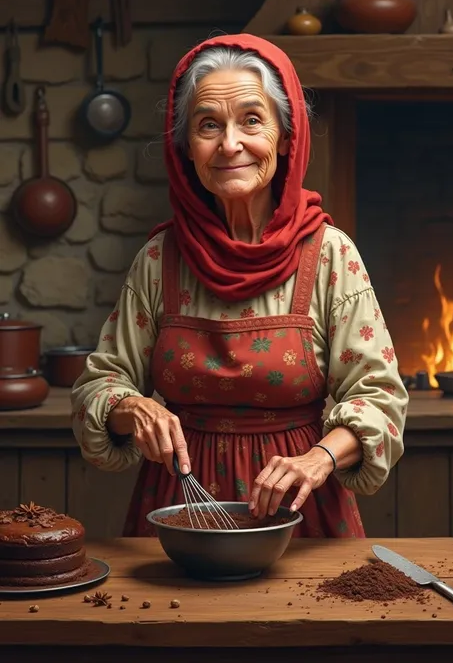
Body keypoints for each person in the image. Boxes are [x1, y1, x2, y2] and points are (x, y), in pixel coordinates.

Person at [71, 33, 408, 538]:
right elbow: (98, 385)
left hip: (302, 512)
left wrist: (317, 459)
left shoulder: (331, 255)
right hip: (181, 508)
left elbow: (379, 399)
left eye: (252, 120)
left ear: (286, 136)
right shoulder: (160, 259)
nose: (230, 144)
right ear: (186, 147)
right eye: (209, 125)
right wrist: (130, 407)